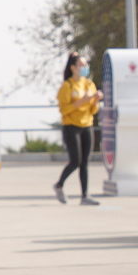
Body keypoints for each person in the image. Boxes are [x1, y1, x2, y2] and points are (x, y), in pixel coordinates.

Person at [53, 51, 103, 206]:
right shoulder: (67, 86)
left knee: (85, 162)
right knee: (75, 160)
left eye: (85, 65)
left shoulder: (89, 84)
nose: (84, 68)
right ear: (73, 67)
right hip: (71, 126)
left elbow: (93, 111)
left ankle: (85, 195)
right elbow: (64, 109)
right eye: (81, 65)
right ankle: (59, 184)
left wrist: (95, 101)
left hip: (86, 125)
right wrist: (82, 101)